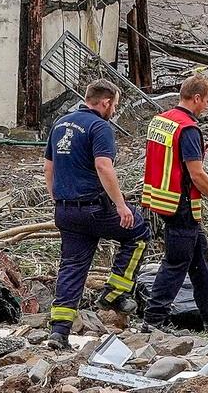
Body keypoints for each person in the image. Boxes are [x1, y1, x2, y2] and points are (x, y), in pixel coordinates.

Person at [43, 78, 149, 349]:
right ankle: (114, 294)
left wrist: (58, 199)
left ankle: (59, 331)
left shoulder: (61, 123)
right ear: (105, 102)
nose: (114, 109)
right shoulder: (100, 127)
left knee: (72, 267)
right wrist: (121, 205)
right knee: (138, 231)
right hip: (94, 208)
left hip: (66, 210)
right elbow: (103, 166)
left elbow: (48, 167)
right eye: (114, 105)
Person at [140, 73, 208, 329]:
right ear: (196, 98)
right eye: (207, 100)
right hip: (180, 203)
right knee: (176, 262)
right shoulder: (189, 129)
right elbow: (197, 173)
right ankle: (154, 319)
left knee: (198, 253)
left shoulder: (161, 120)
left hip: (160, 198)